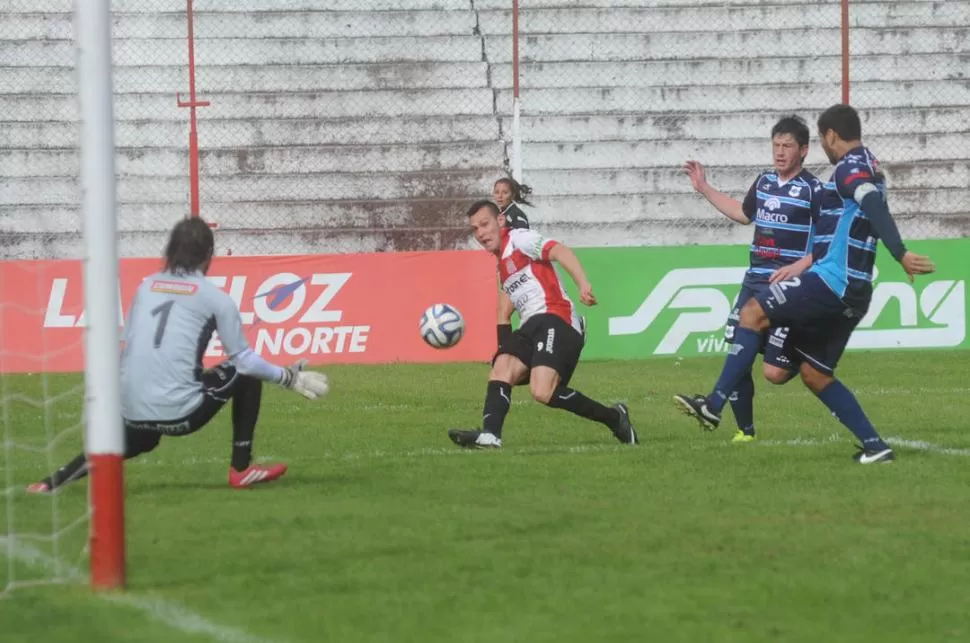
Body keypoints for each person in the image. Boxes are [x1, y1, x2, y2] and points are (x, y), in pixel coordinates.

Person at [673, 104, 936, 464]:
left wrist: (900, 253)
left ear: (829, 137)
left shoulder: (847, 169)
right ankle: (876, 447)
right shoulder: (872, 166)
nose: (780, 152)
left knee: (751, 315)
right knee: (813, 374)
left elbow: (871, 204)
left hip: (831, 281)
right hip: (856, 291)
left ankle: (714, 405)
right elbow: (866, 209)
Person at [27, 217, 330, 493]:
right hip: (182, 416)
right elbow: (245, 361)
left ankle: (50, 483)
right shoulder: (216, 299)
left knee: (137, 438)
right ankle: (241, 469)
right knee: (244, 372)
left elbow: (128, 349)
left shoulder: (146, 287)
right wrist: (288, 378)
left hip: (131, 410)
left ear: (169, 251)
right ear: (209, 255)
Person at [448, 200, 638, 449]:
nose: (481, 233)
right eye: (475, 229)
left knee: (542, 391)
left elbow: (560, 251)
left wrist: (583, 284)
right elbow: (503, 312)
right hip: (531, 325)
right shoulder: (501, 265)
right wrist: (505, 352)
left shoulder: (519, 239)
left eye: (485, 224)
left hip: (557, 318)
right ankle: (490, 435)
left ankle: (615, 418)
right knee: (500, 368)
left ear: (500, 222)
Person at [680, 115, 822, 443]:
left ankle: (805, 351)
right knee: (738, 343)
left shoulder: (814, 190)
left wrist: (801, 266)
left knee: (774, 372)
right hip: (754, 280)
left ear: (804, 150)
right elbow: (744, 214)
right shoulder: (763, 182)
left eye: (787, 146)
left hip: (787, 287)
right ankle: (744, 431)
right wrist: (704, 188)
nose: (780, 152)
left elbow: (828, 241)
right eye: (776, 145)